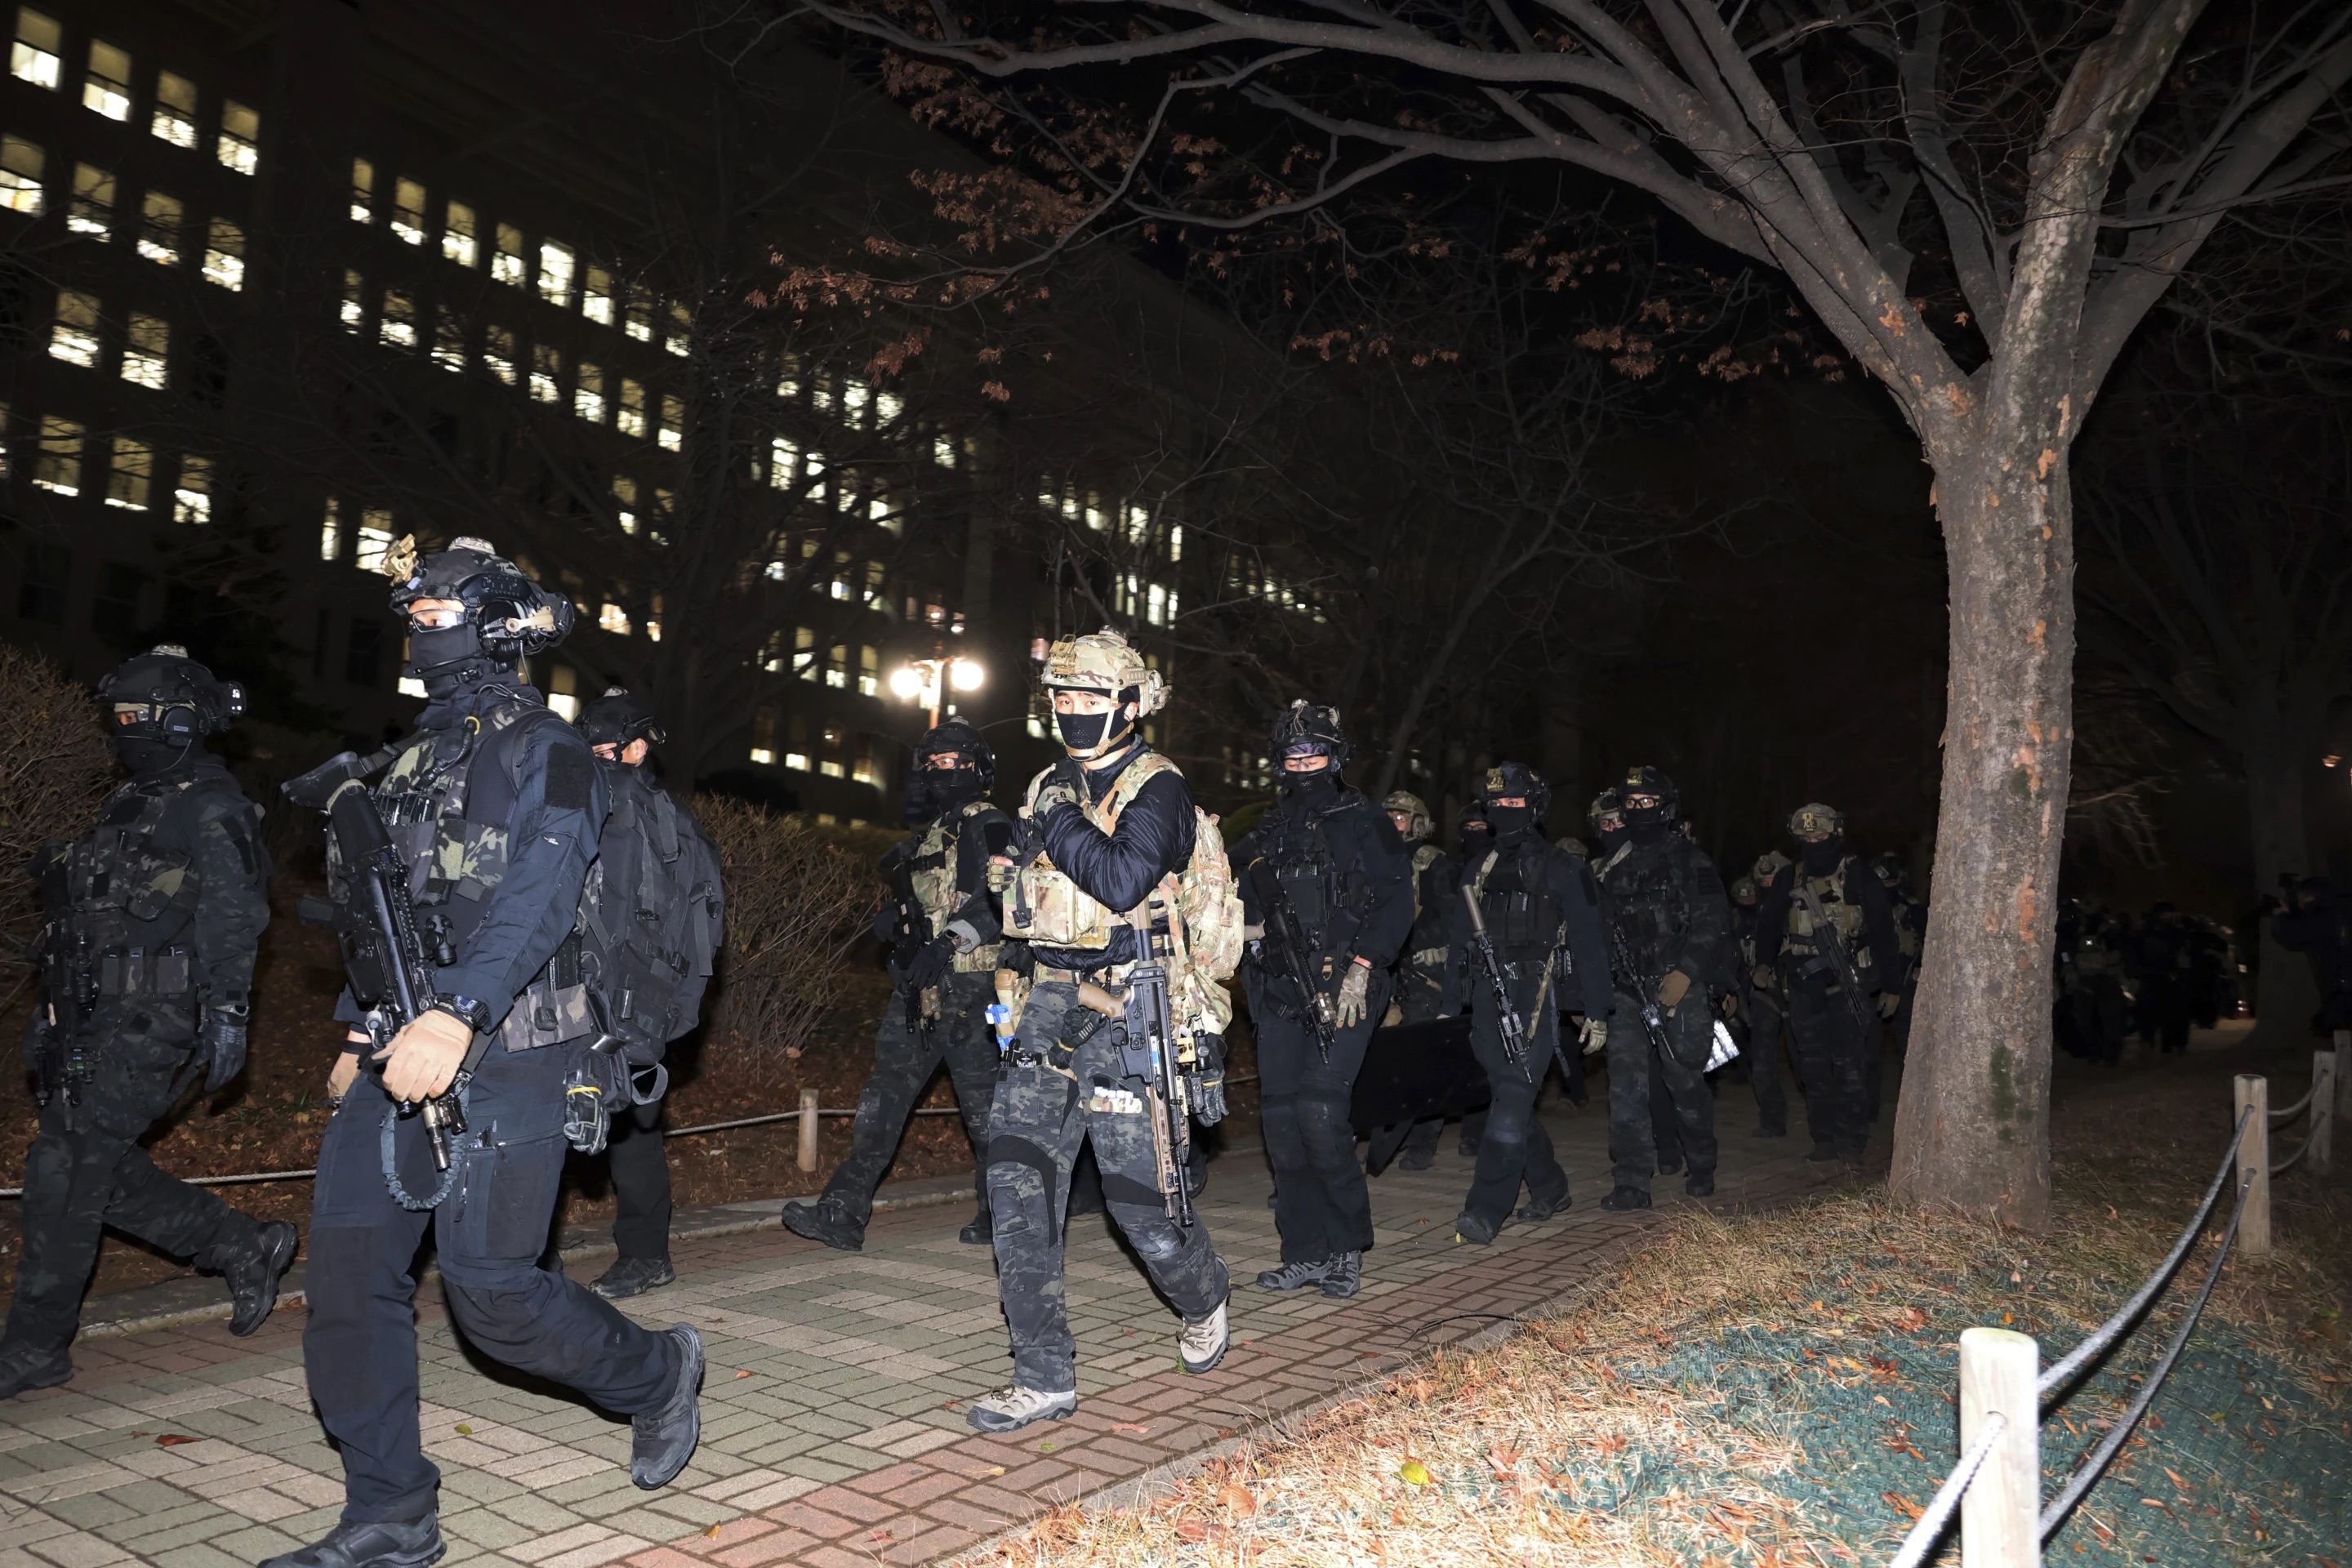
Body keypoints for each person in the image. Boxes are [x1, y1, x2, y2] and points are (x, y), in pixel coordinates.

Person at [270, 537, 700, 1568]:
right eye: (410, 615)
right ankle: (389, 1511)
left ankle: (656, 1375)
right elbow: (401, 906)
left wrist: (456, 1014)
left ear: (496, 624)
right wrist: (356, 1020)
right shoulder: (416, 751)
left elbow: (539, 894)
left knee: (492, 1294)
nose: (416, 630)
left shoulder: (546, 747)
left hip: (515, 1046)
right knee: (347, 1280)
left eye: (435, 614)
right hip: (402, 1039)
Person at [1, 648, 295, 1401]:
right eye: (120, 717)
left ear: (183, 720)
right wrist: (49, 1010)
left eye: (141, 717)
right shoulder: (129, 802)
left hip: (153, 1016)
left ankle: (35, 1348)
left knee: (65, 1170)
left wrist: (229, 1011)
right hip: (89, 1013)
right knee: (89, 1166)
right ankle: (241, 1243)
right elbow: (86, 920)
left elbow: (237, 914)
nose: (127, 730)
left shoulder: (212, 803)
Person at [969, 629, 1237, 1433]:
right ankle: (1043, 1374)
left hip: (1132, 1007)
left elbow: (1122, 879)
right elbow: (1015, 904)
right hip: (1048, 1003)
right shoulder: (1048, 785)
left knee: (1142, 1213)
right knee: (1015, 1179)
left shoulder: (1161, 791)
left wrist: (1053, 816)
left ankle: (1205, 1292)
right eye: (1061, 699)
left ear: (1127, 703)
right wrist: (1002, 1005)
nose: (1073, 712)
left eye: (1089, 699)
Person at [785, 719, 1011, 1252]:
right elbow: (928, 905)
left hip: (977, 989)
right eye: (931, 764)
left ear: (977, 767)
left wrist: (948, 942)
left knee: (987, 1112)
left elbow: (1007, 900)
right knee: (883, 1099)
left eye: (951, 762)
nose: (940, 772)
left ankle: (1006, 1213)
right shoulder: (935, 832)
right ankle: (843, 1210)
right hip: (923, 990)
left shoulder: (990, 824)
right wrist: (895, 926)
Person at [1234, 704, 1411, 1298]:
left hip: (1345, 989)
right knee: (1282, 1124)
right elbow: (1235, 899)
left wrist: (1364, 967)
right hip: (1280, 992)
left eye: (1313, 754)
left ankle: (1345, 1248)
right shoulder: (1268, 830)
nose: (1303, 765)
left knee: (1321, 1114)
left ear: (1335, 758)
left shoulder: (1367, 821)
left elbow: (1395, 903)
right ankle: (1304, 1252)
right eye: (1292, 756)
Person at [573, 688, 724, 1299]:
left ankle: (643, 1255)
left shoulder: (643, 811)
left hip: (623, 996)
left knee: (629, 1124)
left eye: (604, 750)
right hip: (618, 994)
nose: (593, 760)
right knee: (608, 1120)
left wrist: (660, 1004)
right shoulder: (656, 811)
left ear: (636, 748)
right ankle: (637, 1255)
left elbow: (689, 915)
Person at [1446, 763, 1613, 1242]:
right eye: (1496, 804)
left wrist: (1595, 1009)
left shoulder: (1564, 868)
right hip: (1486, 996)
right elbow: (1460, 940)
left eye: (1515, 803)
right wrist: (1447, 1003)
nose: (1505, 811)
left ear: (1535, 807)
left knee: (1514, 1097)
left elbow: (1589, 941)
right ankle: (1550, 1185)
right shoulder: (1479, 866)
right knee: (1508, 1098)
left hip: (1537, 994)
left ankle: (1485, 1210)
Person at [1593, 767, 1731, 1209]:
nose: (1638, 810)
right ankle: (1632, 1180)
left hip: (1677, 985)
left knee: (1684, 1079)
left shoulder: (1690, 858)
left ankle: (1703, 1162)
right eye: (1630, 803)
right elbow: (1595, 931)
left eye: (1646, 802)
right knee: (1626, 1087)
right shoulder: (1611, 866)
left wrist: (1687, 973)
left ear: (1665, 806)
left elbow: (1713, 921)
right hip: (1627, 989)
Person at [1752, 803, 1899, 1165]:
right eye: (1806, 837)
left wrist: (1892, 985)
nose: (1813, 843)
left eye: (1820, 836)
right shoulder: (1790, 877)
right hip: (1803, 987)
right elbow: (1770, 924)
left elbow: (1883, 930)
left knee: (1849, 1063)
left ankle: (1852, 1138)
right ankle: (1825, 1138)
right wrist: (1763, 964)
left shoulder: (1858, 873)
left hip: (1849, 983)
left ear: (1835, 834)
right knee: (1811, 1065)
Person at [1740, 853, 1795, 1138]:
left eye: (1773, 880)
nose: (1767, 885)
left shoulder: (1801, 907)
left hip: (1799, 991)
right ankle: (1772, 1120)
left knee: (1804, 1061)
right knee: (1762, 1060)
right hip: (1764, 993)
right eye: (1762, 881)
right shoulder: (1749, 914)